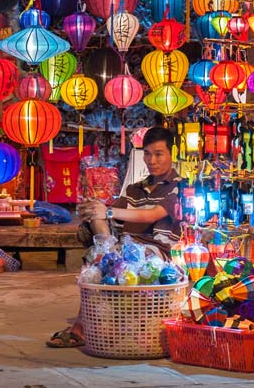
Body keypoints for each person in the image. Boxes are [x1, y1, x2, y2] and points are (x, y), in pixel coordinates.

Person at [46, 126, 183, 348]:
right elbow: (110, 213)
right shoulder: (134, 189)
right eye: (147, 153)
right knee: (99, 229)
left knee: (108, 257)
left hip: (155, 254)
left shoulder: (179, 187)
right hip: (121, 247)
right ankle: (106, 251)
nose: (152, 160)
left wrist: (108, 212)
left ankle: (82, 326)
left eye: (159, 154)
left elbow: (152, 214)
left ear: (172, 153)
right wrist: (93, 210)